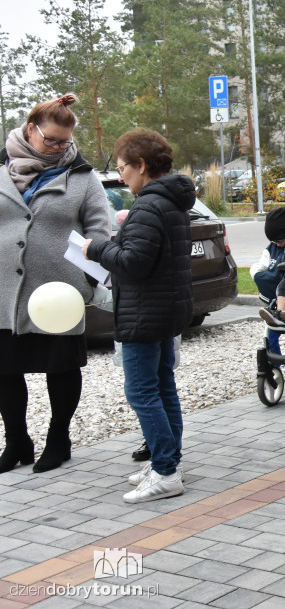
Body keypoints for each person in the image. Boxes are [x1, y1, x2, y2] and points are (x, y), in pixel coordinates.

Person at [0, 94, 109, 474]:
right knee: (4, 369)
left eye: (65, 142)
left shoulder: (82, 176)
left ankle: (58, 439)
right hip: (3, 293)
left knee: (60, 368)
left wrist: (84, 281)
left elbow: (100, 229)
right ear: (31, 129)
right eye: (52, 140)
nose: (60, 148)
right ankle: (16, 441)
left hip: (59, 294)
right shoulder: (1, 168)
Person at [84, 129, 194, 503]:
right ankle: (168, 462)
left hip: (145, 313)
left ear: (141, 165)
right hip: (163, 309)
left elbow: (134, 262)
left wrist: (96, 249)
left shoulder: (149, 205)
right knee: (162, 386)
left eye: (122, 169)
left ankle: (165, 470)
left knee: (142, 390)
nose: (121, 177)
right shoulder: (171, 202)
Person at [250, 207, 285, 357]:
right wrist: (257, 273)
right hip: (273, 298)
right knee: (271, 331)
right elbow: (261, 266)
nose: (277, 244)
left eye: (280, 240)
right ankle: (275, 360)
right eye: (273, 241)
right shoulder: (272, 249)